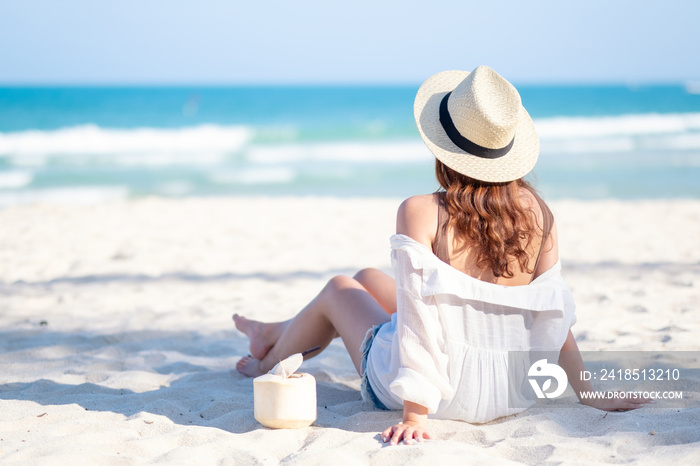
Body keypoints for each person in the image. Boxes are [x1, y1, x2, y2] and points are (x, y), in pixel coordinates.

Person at [233, 66, 651, 446]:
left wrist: (415, 412)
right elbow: (550, 310)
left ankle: (266, 360)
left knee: (339, 289)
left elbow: (416, 318)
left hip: (438, 393)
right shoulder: (540, 213)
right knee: (367, 276)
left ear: (443, 147)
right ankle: (273, 332)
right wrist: (589, 391)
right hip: (511, 390)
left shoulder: (419, 210)